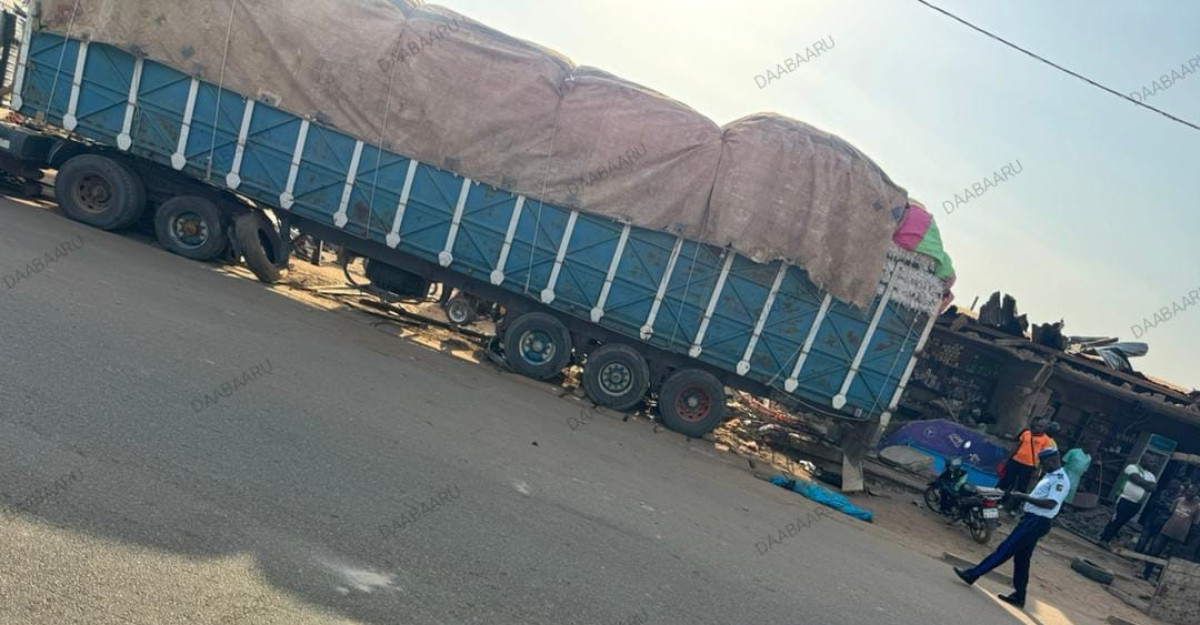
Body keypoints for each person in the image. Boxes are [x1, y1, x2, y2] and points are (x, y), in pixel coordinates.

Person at [953, 448, 1070, 609]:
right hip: (1032, 519)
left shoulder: (1060, 480)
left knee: (1005, 549)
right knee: (1022, 559)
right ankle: (1019, 596)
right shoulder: (1050, 476)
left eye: (1044, 463)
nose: (1042, 466)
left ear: (1053, 460)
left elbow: (1050, 503)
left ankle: (973, 574)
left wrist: (1024, 497)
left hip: (1037, 521)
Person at [1099, 455, 1159, 549]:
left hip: (1137, 504)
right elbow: (1136, 479)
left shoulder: (1151, 476)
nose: (1153, 464)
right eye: (1150, 462)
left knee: (1122, 522)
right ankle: (1104, 539)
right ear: (1143, 460)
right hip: (1124, 499)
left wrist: (1143, 482)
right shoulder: (1132, 467)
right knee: (1116, 520)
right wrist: (1147, 484)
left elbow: (1153, 488)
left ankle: (1108, 540)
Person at [1141, 485, 1200, 580]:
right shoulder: (1179, 500)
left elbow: (1195, 523)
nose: (1189, 493)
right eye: (1188, 491)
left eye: (1191, 492)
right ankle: (1146, 574)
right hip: (1166, 530)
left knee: (1171, 558)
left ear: (1196, 494)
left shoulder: (1197, 507)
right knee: (1154, 551)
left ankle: (1160, 579)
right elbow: (1170, 512)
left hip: (1180, 536)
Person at [997, 418, 1054, 512]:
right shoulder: (1026, 433)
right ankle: (998, 501)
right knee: (1006, 482)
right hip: (1015, 461)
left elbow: (1044, 457)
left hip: (1029, 466)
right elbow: (1017, 446)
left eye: (1042, 427)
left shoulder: (1046, 440)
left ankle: (1013, 508)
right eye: (1038, 425)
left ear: (1045, 429)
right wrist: (1007, 459)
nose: (1039, 428)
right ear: (1035, 425)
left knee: (1021, 488)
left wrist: (1038, 470)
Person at [1135, 478, 1184, 554]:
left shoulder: (1180, 499)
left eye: (1174, 486)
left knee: (1156, 544)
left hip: (1164, 522)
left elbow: (1173, 509)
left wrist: (1165, 505)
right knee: (1143, 538)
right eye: (1171, 485)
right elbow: (1154, 502)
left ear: (1178, 488)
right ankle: (1136, 553)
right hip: (1152, 518)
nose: (1171, 487)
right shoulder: (1163, 492)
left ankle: (1149, 558)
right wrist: (1166, 505)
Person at [1062, 439, 1099, 506]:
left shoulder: (1089, 459)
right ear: (1089, 445)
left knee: (1068, 498)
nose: (1095, 450)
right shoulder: (1074, 452)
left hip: (1075, 481)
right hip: (1065, 477)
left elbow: (1083, 471)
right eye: (1094, 448)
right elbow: (1063, 463)